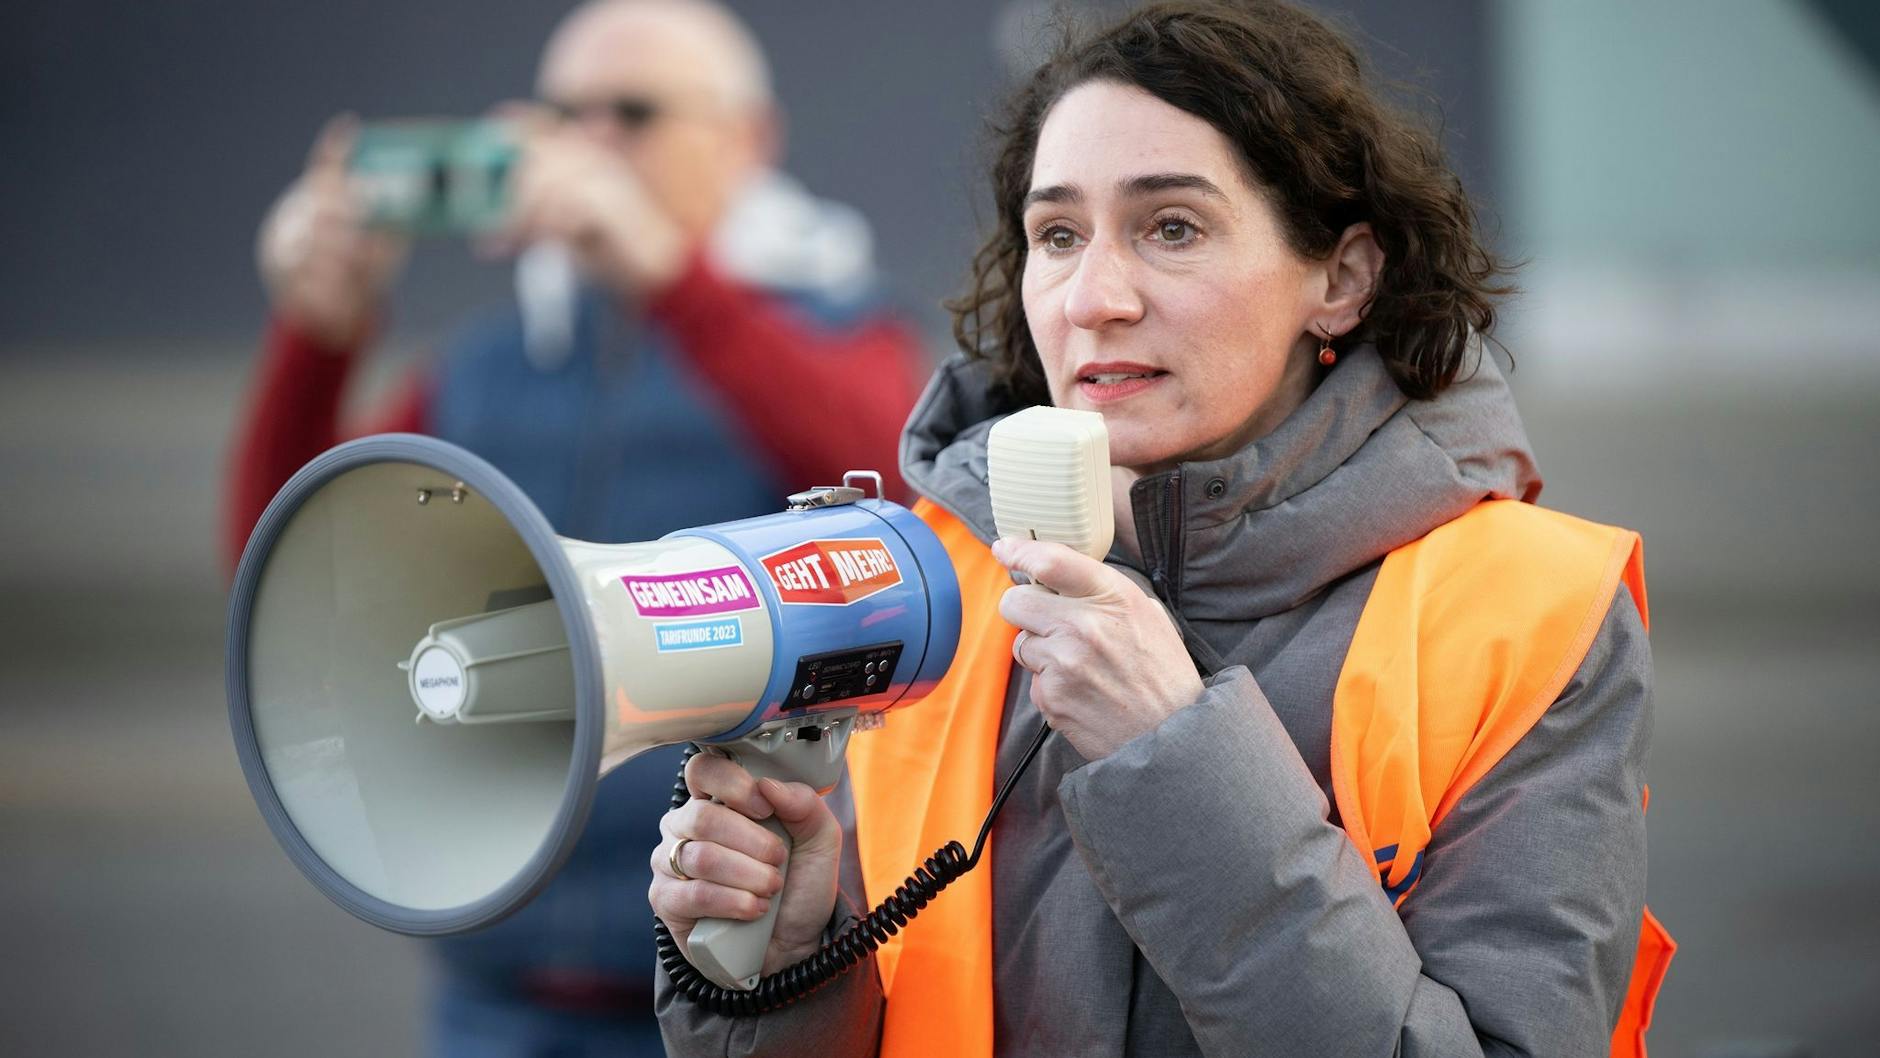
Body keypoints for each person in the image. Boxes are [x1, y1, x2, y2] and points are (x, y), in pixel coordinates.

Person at [649, 2, 1674, 1055]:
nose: (1091, 298)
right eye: (1057, 236)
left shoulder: (1533, 613)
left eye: (1171, 227)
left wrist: (1176, 759)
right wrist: (793, 966)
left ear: (1341, 277)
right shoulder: (937, 574)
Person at [223, 0, 930, 1053]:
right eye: (565, 115)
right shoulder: (490, 363)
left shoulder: (832, 324)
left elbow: (904, 508)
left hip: (727, 971)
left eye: (632, 113)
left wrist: (670, 277)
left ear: (746, 140)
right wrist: (318, 334)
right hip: (498, 975)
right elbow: (288, 567)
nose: (592, 143)